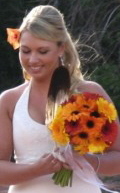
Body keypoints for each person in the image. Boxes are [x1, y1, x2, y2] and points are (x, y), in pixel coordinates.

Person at [0, 5, 120, 193]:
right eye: (25, 50)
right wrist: (37, 169)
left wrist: (86, 160)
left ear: (61, 48)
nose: (32, 60)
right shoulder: (9, 100)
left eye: (42, 51)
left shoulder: (90, 93)